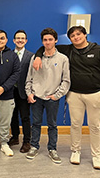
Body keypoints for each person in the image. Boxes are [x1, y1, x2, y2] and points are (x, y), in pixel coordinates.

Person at [33, 26, 100, 169]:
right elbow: (47, 45)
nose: (76, 37)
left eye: (78, 34)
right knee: (75, 125)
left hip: (95, 94)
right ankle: (75, 151)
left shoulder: (99, 51)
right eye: (72, 35)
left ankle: (97, 156)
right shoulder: (68, 50)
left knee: (95, 127)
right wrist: (38, 56)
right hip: (74, 94)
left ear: (85, 35)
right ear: (69, 38)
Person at [25, 28, 70, 164]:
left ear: (55, 40)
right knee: (36, 123)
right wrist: (29, 93)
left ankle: (52, 149)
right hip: (36, 97)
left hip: (52, 98)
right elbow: (29, 78)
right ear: (42, 42)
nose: (48, 42)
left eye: (50, 39)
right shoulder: (35, 58)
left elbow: (66, 80)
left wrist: (57, 95)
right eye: (45, 40)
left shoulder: (63, 59)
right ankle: (34, 147)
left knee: (52, 125)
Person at [8, 30, 33, 153]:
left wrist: (31, 92)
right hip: (11, 91)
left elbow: (34, 76)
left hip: (24, 91)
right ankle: (15, 137)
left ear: (26, 40)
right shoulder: (9, 55)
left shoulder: (31, 56)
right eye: (18, 38)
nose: (20, 40)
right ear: (14, 40)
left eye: (22, 38)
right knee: (12, 116)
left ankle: (27, 141)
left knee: (25, 117)